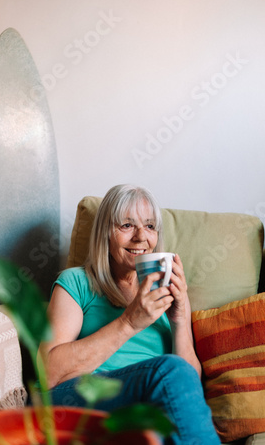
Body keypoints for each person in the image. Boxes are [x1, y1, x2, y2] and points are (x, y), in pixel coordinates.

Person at [39, 184, 220, 444]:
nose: (140, 237)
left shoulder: (165, 290)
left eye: (149, 226)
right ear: (105, 233)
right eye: (126, 225)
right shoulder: (77, 282)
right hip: (79, 396)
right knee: (169, 371)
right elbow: (49, 373)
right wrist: (130, 322)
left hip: (145, 407)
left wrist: (179, 320)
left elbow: (188, 385)